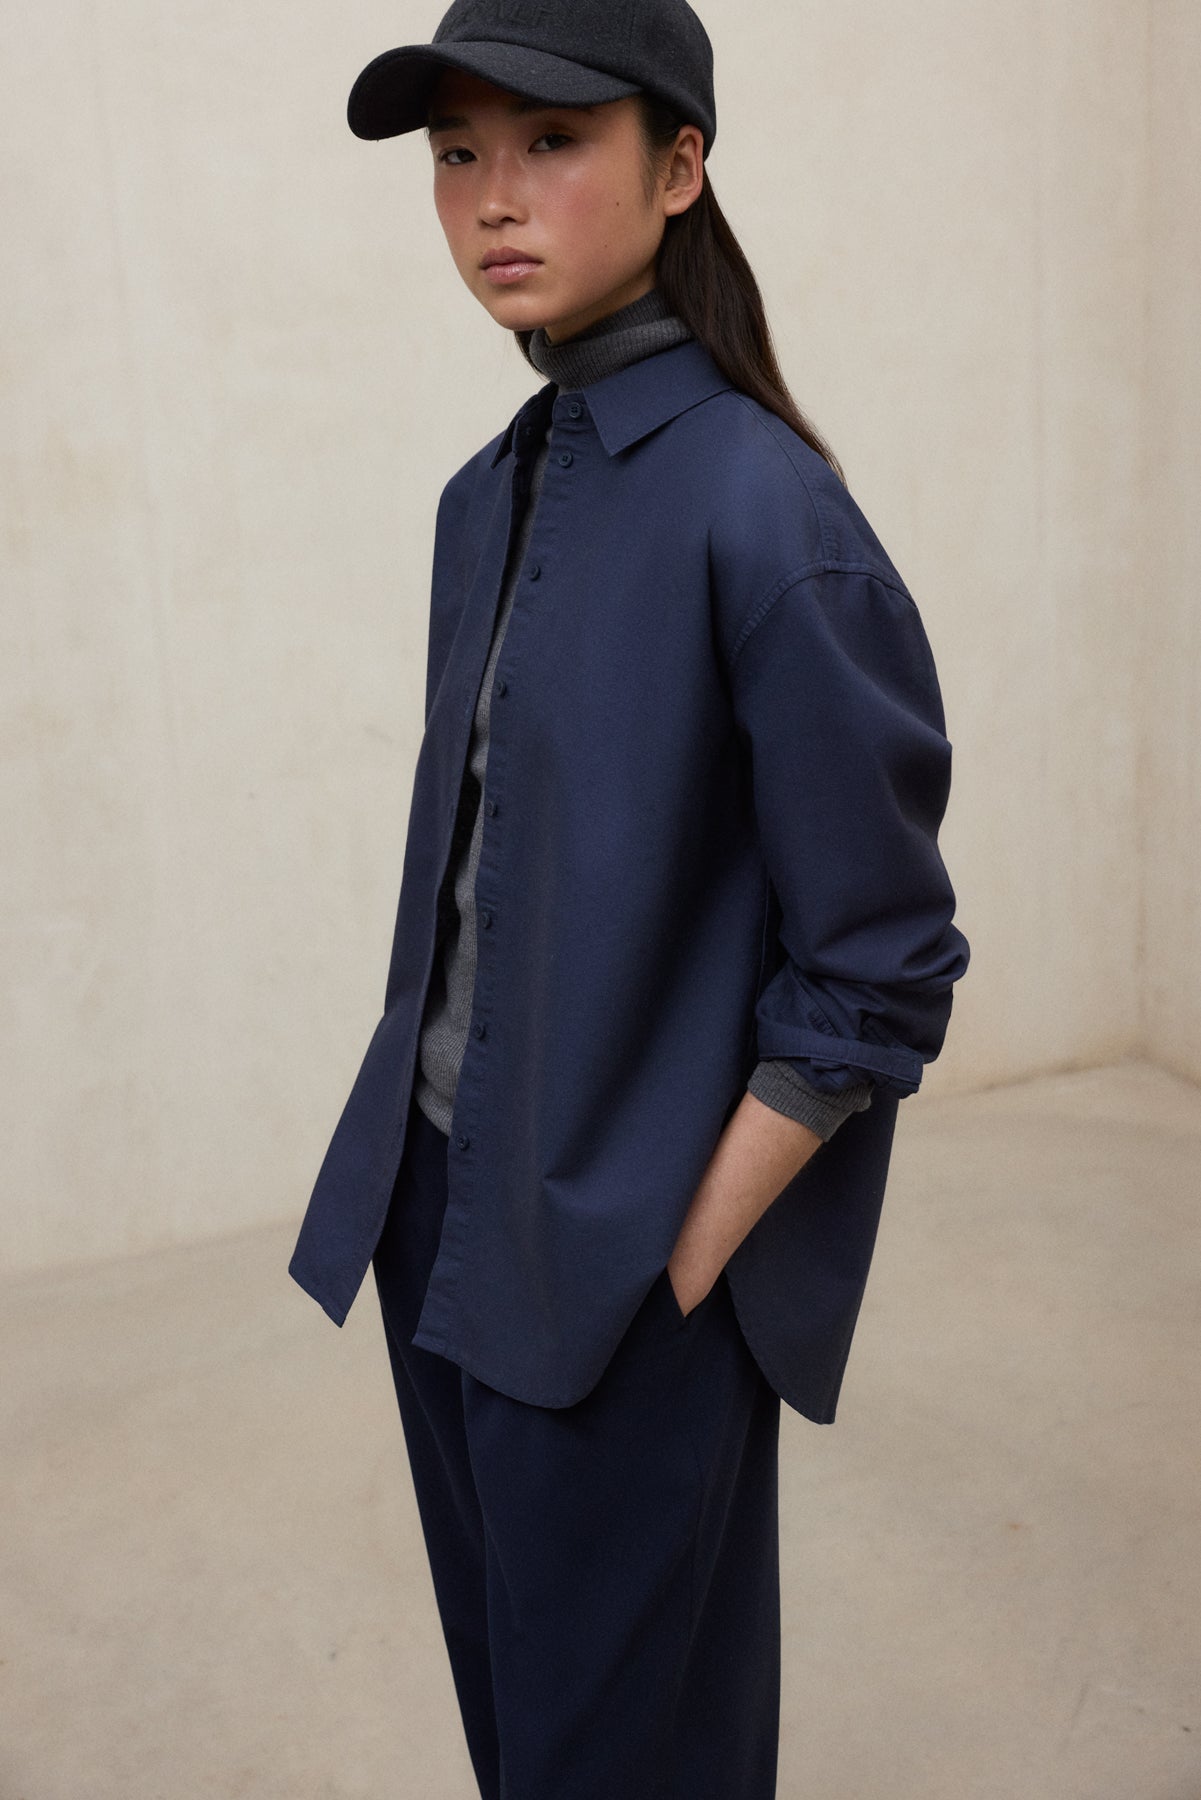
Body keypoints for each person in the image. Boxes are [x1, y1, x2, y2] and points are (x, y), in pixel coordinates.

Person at [287, 1, 971, 1794]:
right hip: (437, 1216)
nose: (492, 199)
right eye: (456, 154)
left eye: (550, 142)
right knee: (532, 1744)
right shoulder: (487, 494)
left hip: (619, 1265)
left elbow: (880, 966)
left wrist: (683, 1260)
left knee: (630, 1760)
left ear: (678, 169)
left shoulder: (767, 514)